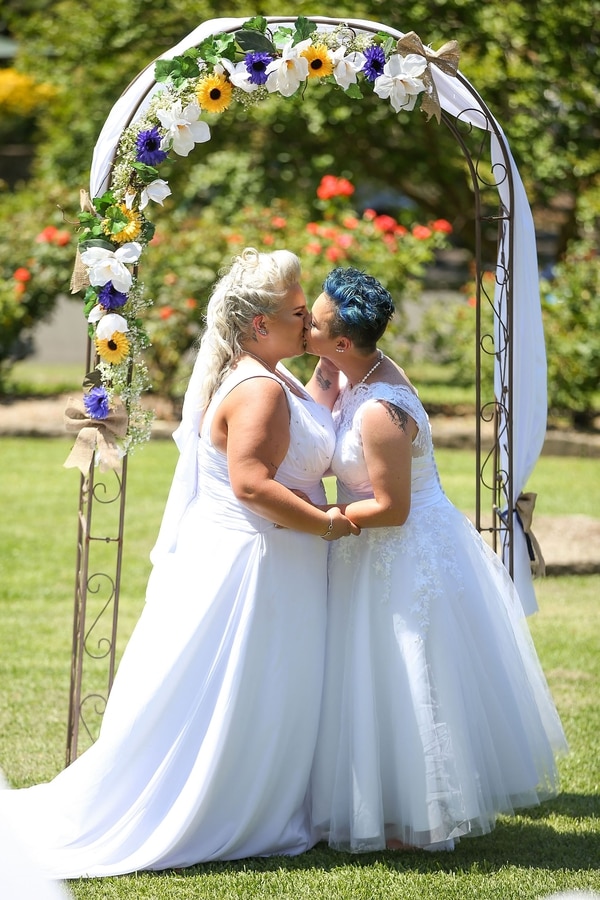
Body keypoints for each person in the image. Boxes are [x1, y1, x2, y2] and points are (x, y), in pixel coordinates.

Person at [0, 247, 358, 879]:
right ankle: (225, 808)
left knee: (262, 692)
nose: (310, 322)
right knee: (234, 688)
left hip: (273, 564)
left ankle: (260, 798)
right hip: (256, 567)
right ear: (258, 326)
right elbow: (251, 484)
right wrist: (330, 523)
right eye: (299, 312)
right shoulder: (259, 391)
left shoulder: (276, 376)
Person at [305, 266, 568, 853]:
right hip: (373, 548)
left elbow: (393, 509)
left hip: (400, 547)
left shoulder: (380, 411)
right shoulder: (356, 368)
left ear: (344, 342)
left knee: (406, 671)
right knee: (371, 673)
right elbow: (318, 415)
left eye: (315, 323)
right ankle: (375, 802)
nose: (306, 327)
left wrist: (323, 522)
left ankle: (419, 816)